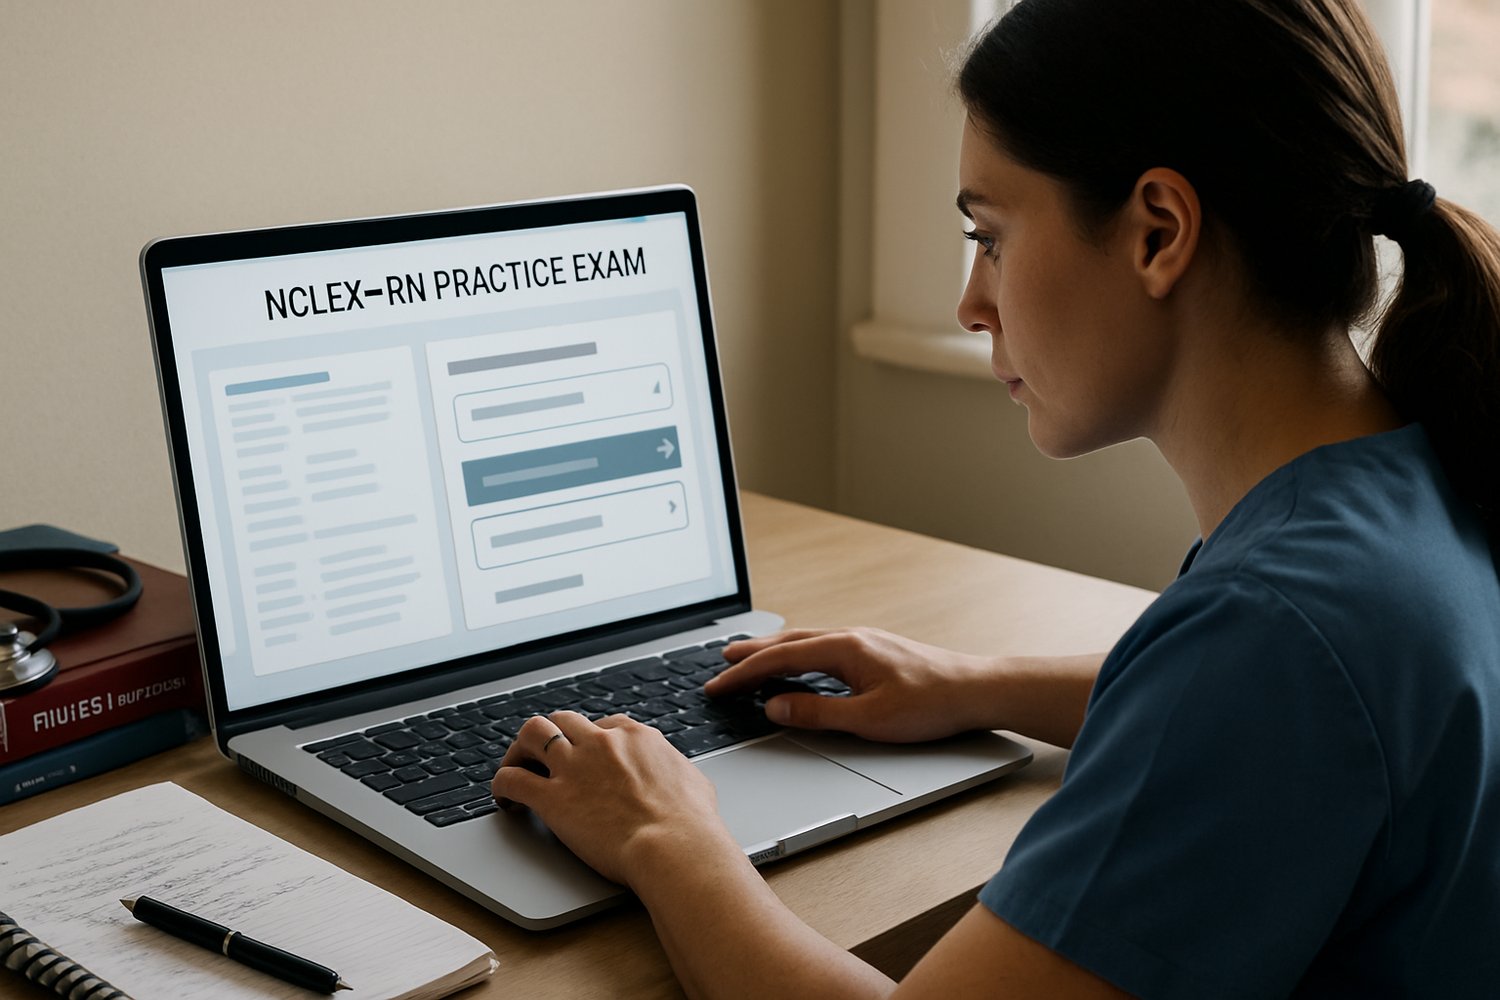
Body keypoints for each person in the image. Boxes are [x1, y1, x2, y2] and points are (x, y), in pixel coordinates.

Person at [493, 0, 1500, 995]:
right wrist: (976, 683)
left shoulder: (1268, 638)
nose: (972, 303)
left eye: (991, 236)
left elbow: (1251, 690)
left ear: (1159, 232)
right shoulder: (1411, 482)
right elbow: (1277, 719)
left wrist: (666, 836)